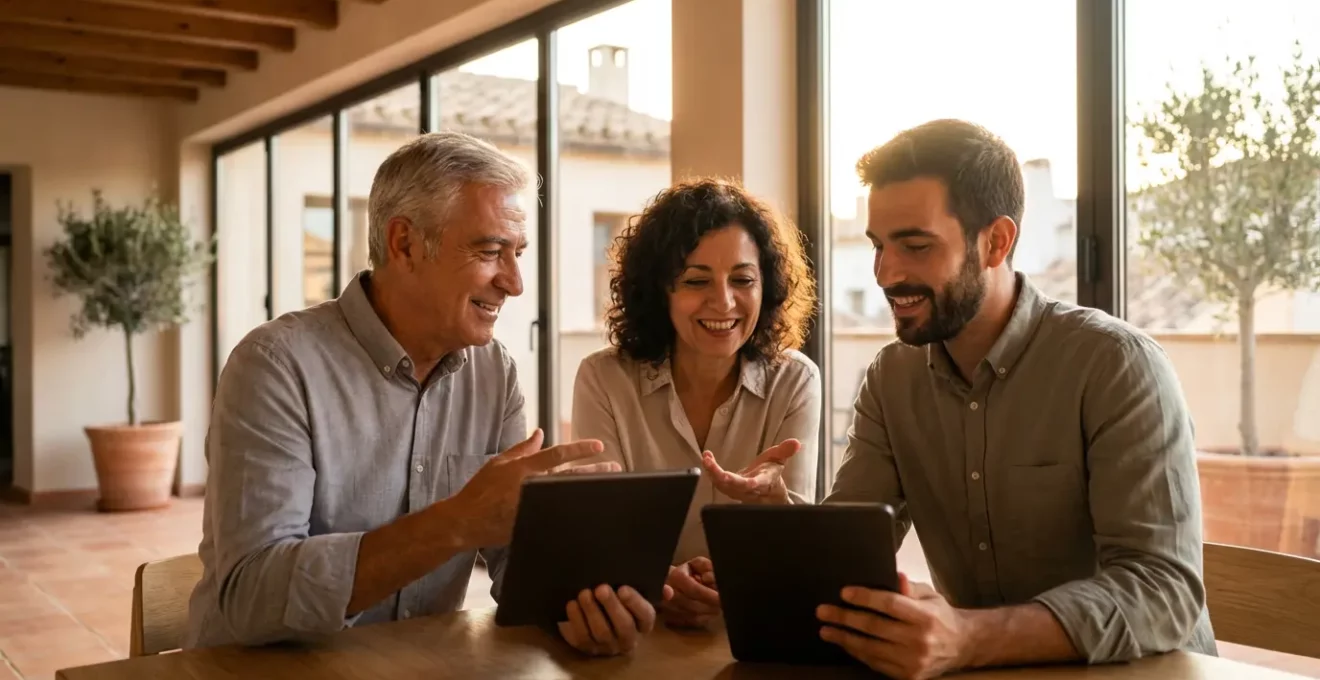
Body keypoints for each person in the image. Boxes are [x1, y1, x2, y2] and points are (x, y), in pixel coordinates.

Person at [703, 119, 1216, 678]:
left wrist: (969, 637)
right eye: (878, 246)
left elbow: (1163, 590)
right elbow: (853, 545)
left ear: (996, 241)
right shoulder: (891, 379)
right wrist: (781, 518)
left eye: (916, 246)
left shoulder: (1118, 365)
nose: (886, 273)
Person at [186, 131, 665, 657]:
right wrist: (458, 522)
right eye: (489, 251)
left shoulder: (494, 373)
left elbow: (518, 569)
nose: (514, 282)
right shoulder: (275, 366)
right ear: (405, 245)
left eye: (518, 253)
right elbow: (251, 597)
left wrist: (588, 603)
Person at [571, 178, 821, 629]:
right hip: (637, 629)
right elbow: (595, 538)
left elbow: (800, 555)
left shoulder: (796, 380)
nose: (723, 301)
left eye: (743, 279)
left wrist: (775, 500)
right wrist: (661, 583)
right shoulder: (603, 379)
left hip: (754, 629)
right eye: (696, 280)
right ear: (660, 291)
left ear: (767, 288)